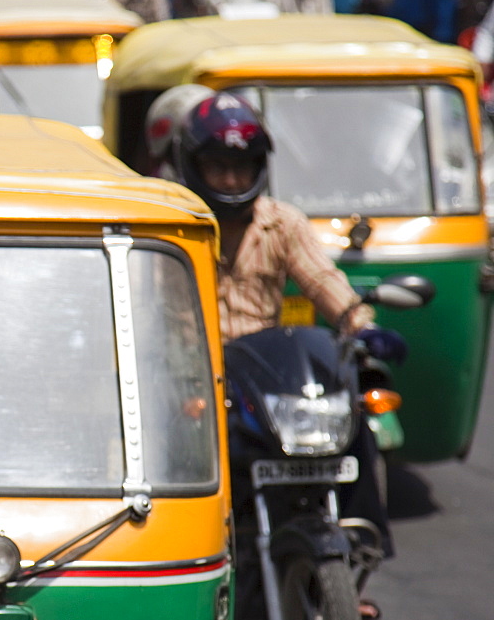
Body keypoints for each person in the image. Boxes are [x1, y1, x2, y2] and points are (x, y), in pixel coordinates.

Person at [170, 92, 397, 572]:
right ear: (193, 165)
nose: (232, 179)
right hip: (195, 381)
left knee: (351, 423)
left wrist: (362, 328)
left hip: (265, 373)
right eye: (218, 167)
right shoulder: (173, 222)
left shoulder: (282, 222)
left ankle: (358, 550)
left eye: (242, 166)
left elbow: (322, 280)